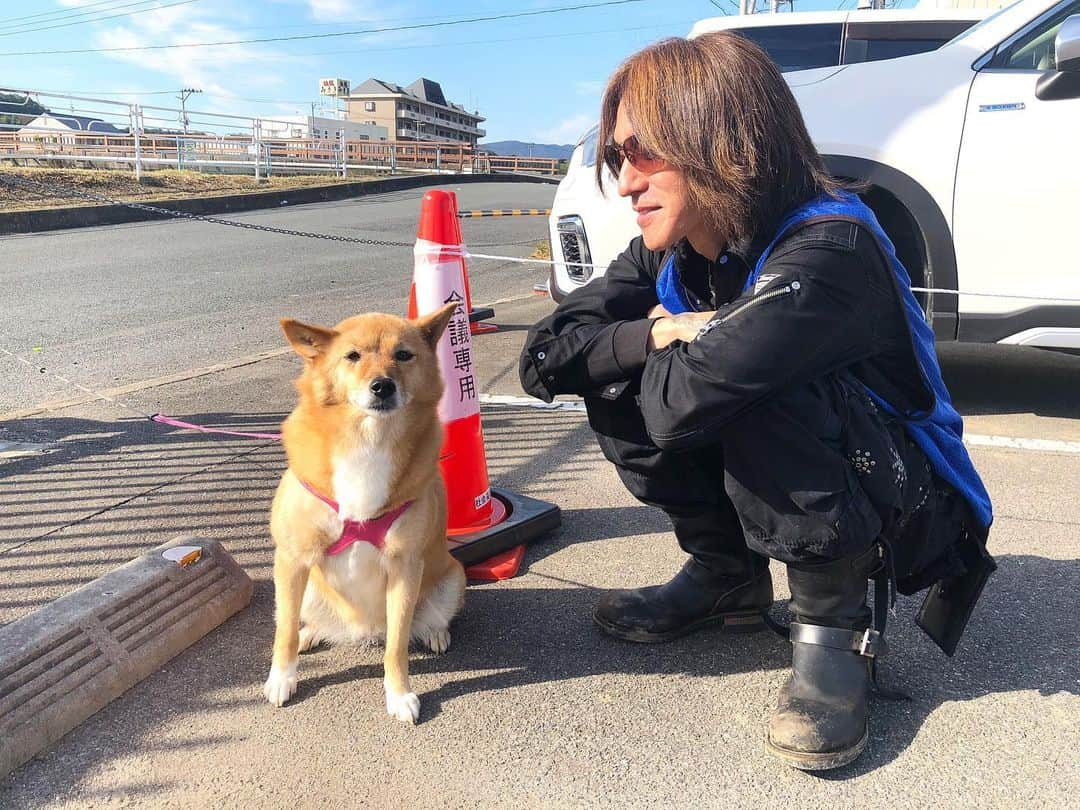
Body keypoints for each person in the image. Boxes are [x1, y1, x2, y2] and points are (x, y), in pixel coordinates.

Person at [519, 33, 995, 771]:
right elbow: (544, 354)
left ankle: (831, 639)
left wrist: (646, 343)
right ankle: (727, 579)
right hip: (831, 465)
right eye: (617, 158)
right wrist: (656, 333)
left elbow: (683, 403)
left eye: (643, 152)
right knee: (623, 368)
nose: (624, 181)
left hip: (910, 503)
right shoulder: (674, 244)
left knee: (750, 388)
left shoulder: (829, 246)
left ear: (717, 137)